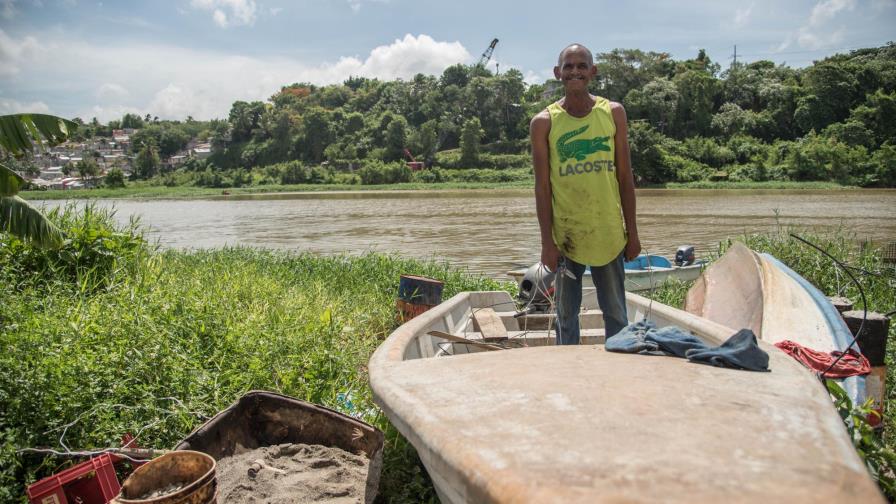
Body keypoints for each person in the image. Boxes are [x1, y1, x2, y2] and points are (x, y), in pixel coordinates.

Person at [530, 43, 641, 345]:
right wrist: (547, 242)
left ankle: (619, 363)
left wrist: (632, 233)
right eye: (568, 66)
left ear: (593, 71)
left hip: (608, 232)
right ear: (558, 73)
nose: (575, 71)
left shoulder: (613, 113)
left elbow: (624, 177)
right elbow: (542, 187)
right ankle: (568, 368)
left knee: (616, 312)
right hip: (566, 237)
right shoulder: (544, 123)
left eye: (582, 66)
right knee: (566, 316)